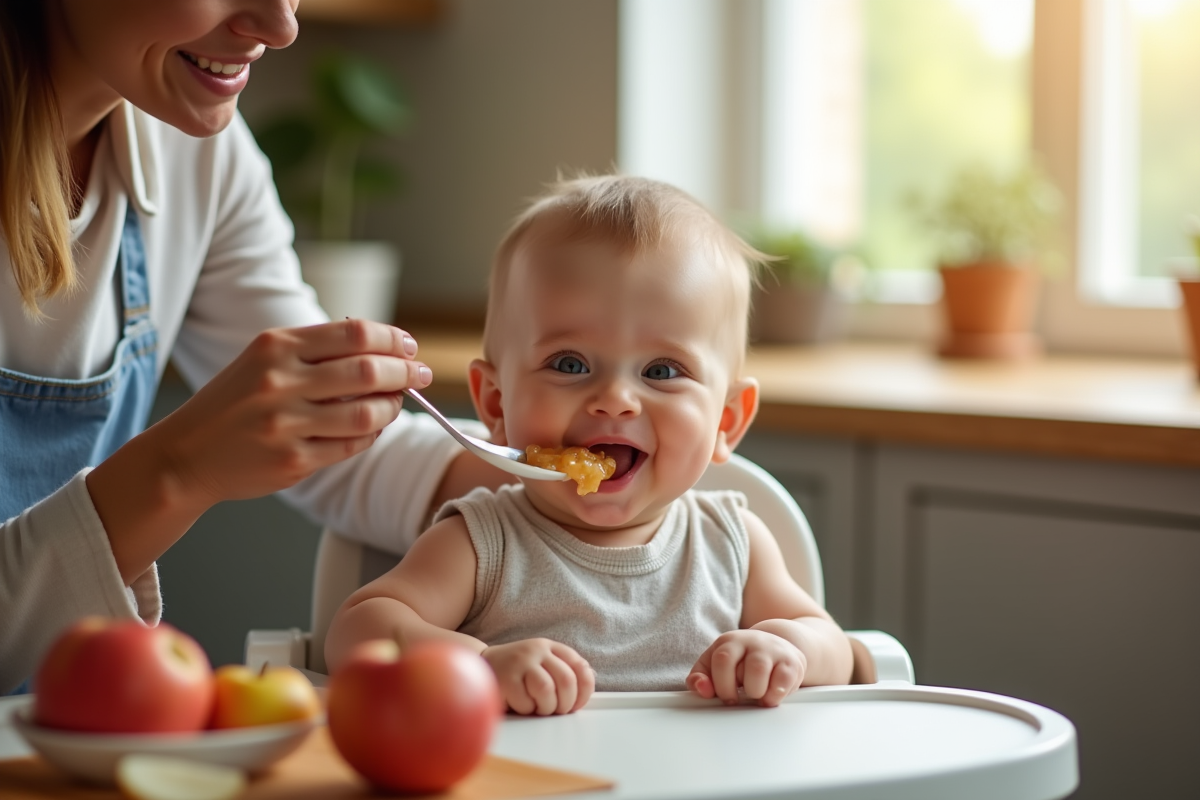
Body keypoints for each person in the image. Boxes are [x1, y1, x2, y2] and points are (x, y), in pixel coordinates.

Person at [0, 0, 507, 694]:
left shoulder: (196, 153)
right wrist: (176, 470)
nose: (280, 27)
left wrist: (587, 470)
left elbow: (344, 447)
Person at [324, 175, 855, 714]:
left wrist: (787, 650)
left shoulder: (734, 543)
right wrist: (478, 664)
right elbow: (358, 630)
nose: (616, 400)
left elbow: (838, 649)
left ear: (726, 419)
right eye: (569, 364)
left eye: (662, 370)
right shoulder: (482, 543)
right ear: (496, 405)